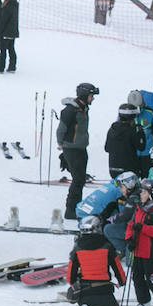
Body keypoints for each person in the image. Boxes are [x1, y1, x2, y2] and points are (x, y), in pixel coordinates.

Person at [68, 215, 126, 306]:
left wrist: (76, 283)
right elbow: (118, 269)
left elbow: (70, 277)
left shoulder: (78, 248)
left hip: (85, 292)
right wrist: (121, 281)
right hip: (105, 292)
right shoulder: (107, 246)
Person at [58, 83, 99, 219]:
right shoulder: (71, 111)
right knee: (78, 180)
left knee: (80, 180)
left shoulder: (83, 108)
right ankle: (71, 210)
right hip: (73, 149)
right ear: (84, 95)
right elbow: (61, 129)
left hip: (80, 148)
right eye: (91, 96)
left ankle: (76, 207)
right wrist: (61, 144)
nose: (92, 99)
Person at [104, 103, 142, 181]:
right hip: (129, 170)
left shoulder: (112, 129)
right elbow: (141, 146)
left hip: (113, 169)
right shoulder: (132, 131)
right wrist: (140, 132)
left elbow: (107, 148)